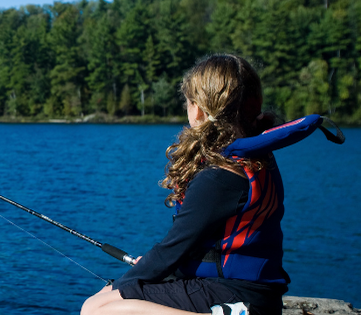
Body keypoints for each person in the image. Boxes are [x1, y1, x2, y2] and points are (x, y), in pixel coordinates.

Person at [81, 54, 288, 315]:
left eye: (188, 102)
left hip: (240, 298)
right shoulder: (256, 159)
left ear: (199, 109)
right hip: (254, 293)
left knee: (97, 310)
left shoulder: (221, 177)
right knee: (105, 296)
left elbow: (173, 248)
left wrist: (126, 284)